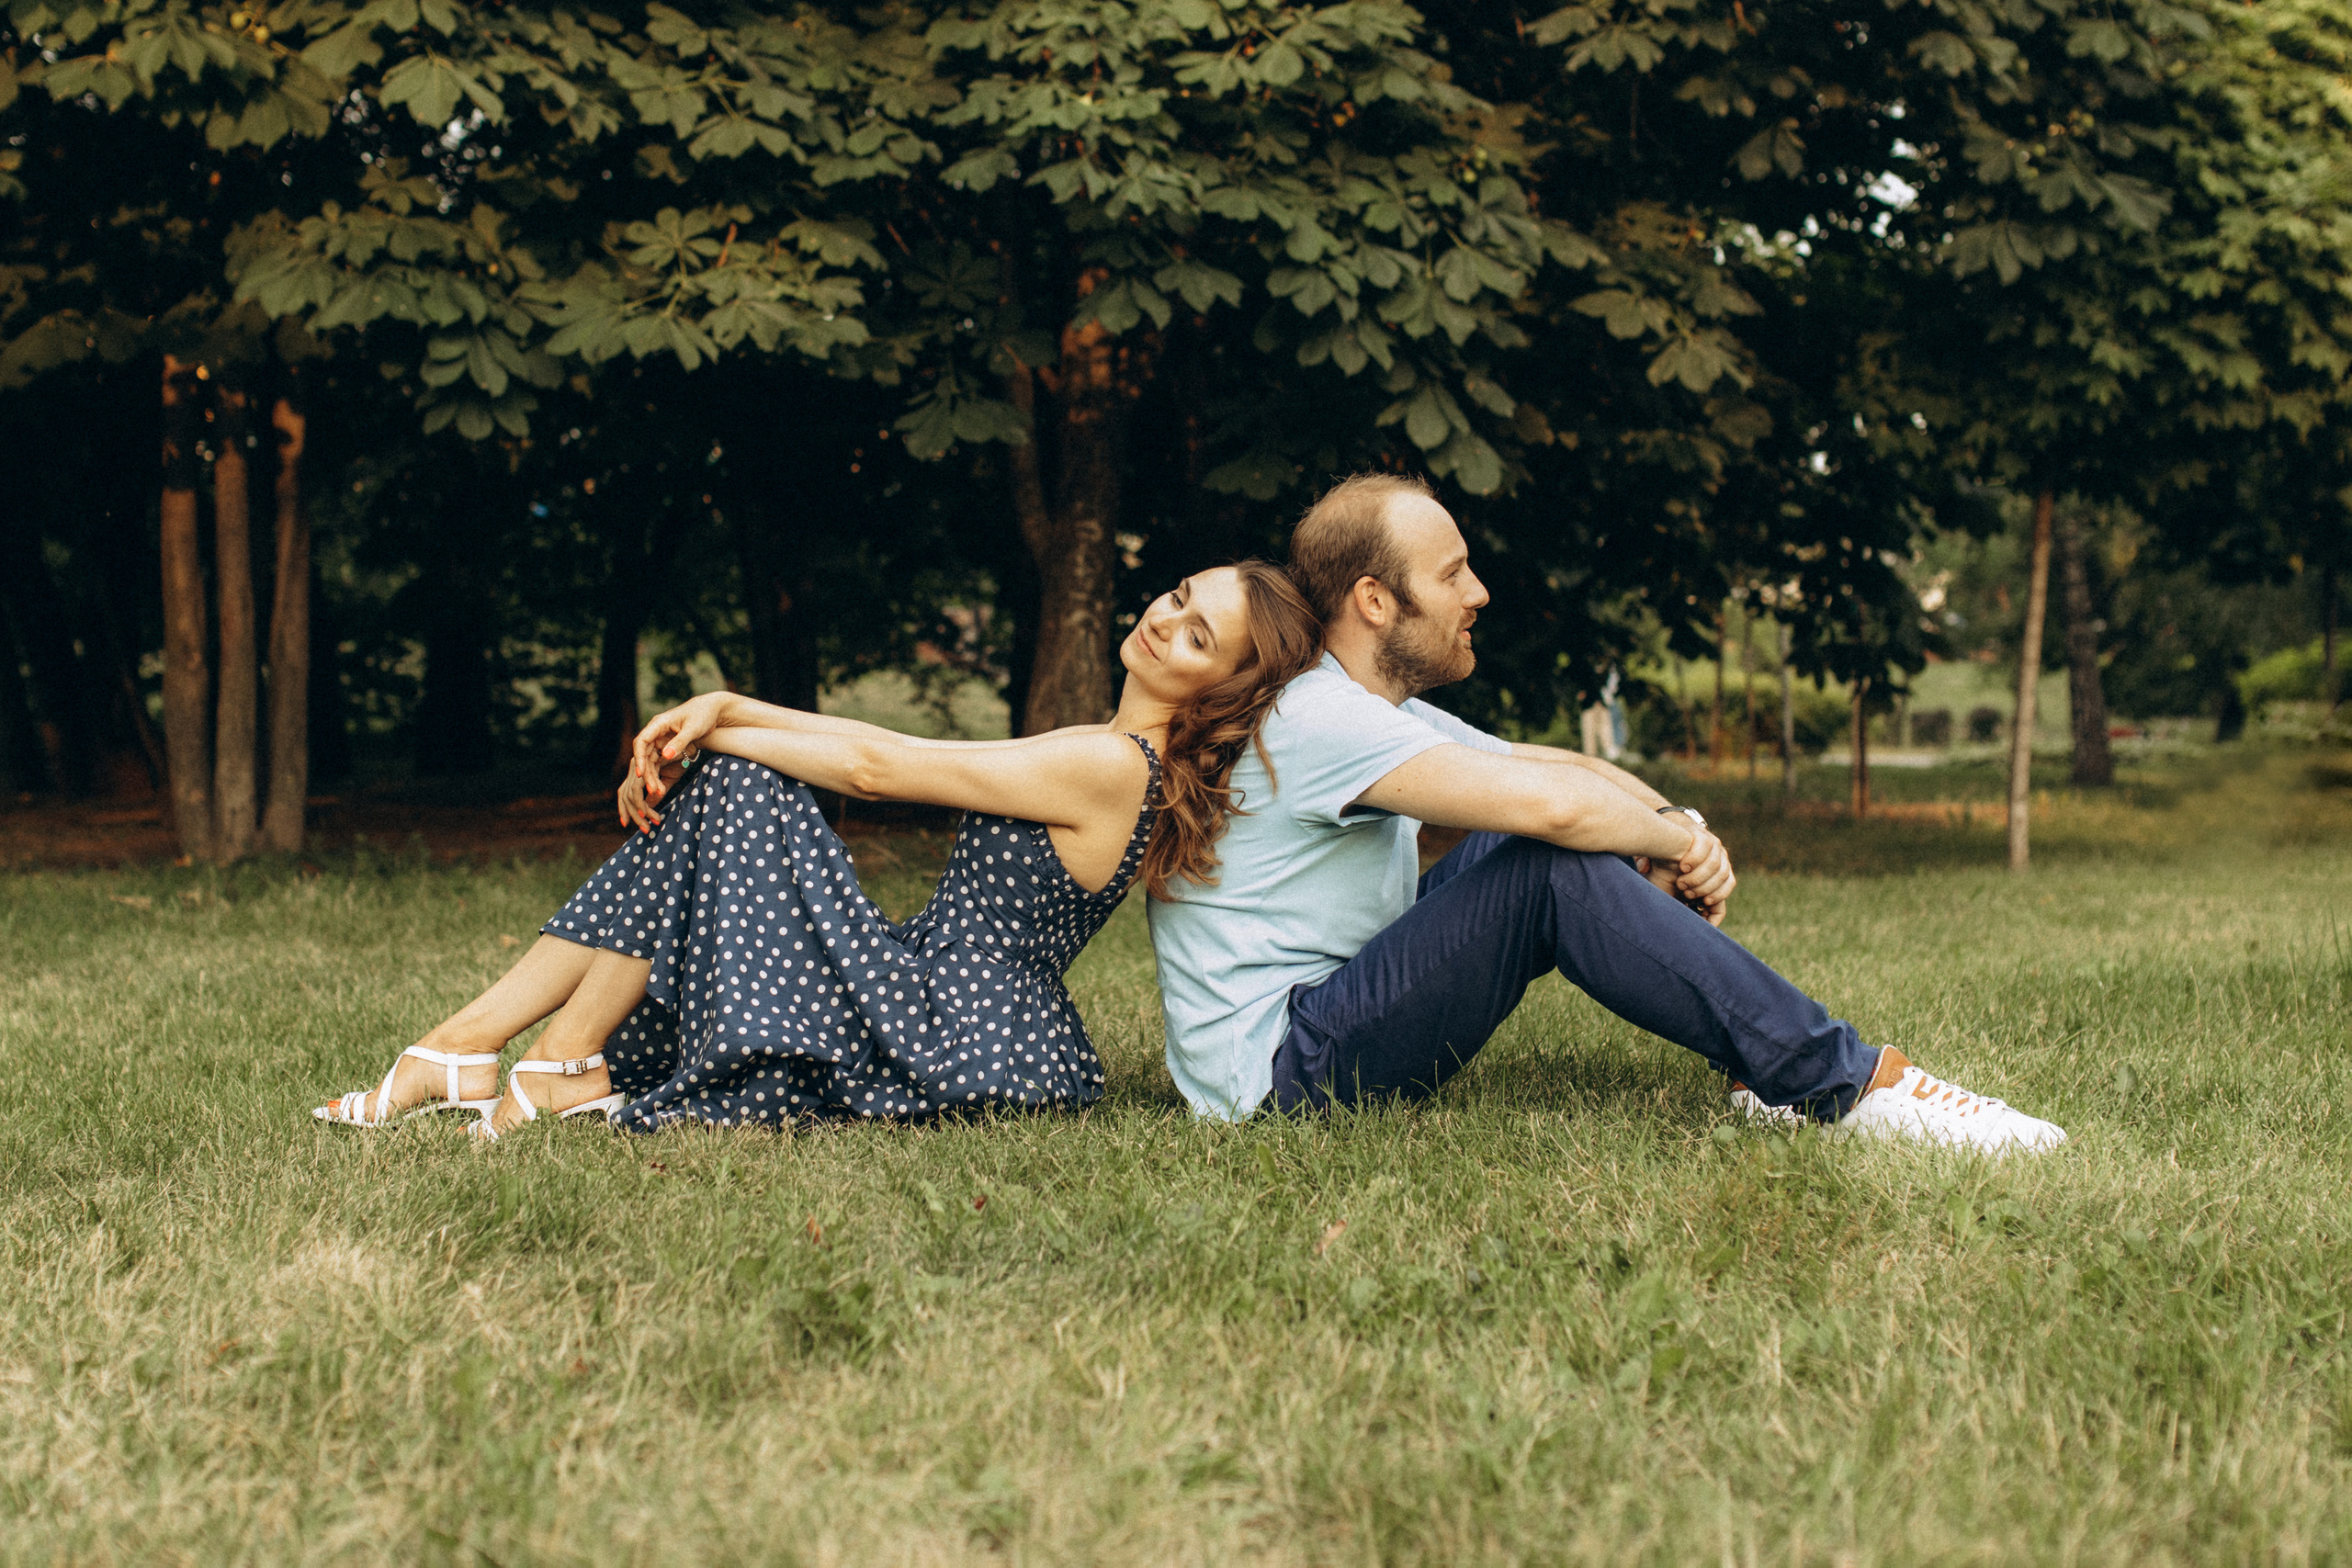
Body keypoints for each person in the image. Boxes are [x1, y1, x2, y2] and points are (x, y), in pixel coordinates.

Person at [1146, 475, 2066, 1152]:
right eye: (1453, 573)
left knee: (1558, 830)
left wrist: (1673, 822)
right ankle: (1851, 1086)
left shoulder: (1357, 705)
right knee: (1554, 855)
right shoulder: (1319, 717)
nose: (1478, 594)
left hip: (1318, 1024)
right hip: (1278, 1081)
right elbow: (1559, 807)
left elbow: (1559, 769)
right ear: (1377, 601)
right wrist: (1671, 843)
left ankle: (1772, 1077)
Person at [313, 560, 1322, 1137]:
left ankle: (496, 1055)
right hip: (940, 992)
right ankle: (493, 1054)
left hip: (957, 1027)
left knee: (742, 783)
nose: (1166, 621)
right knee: (728, 786)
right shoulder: (1104, 749)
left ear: (1223, 689)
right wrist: (720, 708)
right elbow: (886, 745)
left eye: (1198, 638)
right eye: (1181, 597)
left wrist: (710, 729)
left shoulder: (1111, 768)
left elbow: (884, 772)